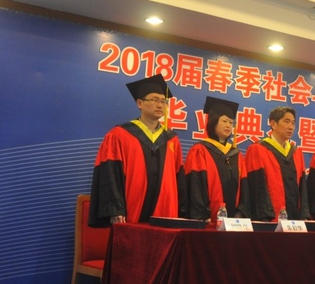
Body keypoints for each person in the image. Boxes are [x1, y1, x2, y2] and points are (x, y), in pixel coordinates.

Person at [89, 74, 186, 226]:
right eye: (154, 100)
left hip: (165, 211)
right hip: (131, 209)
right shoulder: (120, 135)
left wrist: (181, 212)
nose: (160, 105)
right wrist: (116, 209)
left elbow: (179, 179)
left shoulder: (171, 139)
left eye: (163, 101)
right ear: (140, 103)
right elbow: (110, 173)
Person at [185, 96, 248, 225]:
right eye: (224, 121)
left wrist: (240, 213)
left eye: (231, 122)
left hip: (234, 223)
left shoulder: (236, 154)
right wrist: (201, 216)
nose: (228, 125)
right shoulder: (200, 150)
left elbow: (244, 188)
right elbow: (195, 186)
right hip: (208, 221)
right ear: (213, 122)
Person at [246, 106, 309, 221]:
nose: (291, 127)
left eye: (293, 123)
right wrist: (264, 217)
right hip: (268, 218)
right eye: (286, 121)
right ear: (273, 124)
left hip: (294, 220)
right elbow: (257, 187)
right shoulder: (258, 149)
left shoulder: (296, 152)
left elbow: (302, 188)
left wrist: (303, 215)